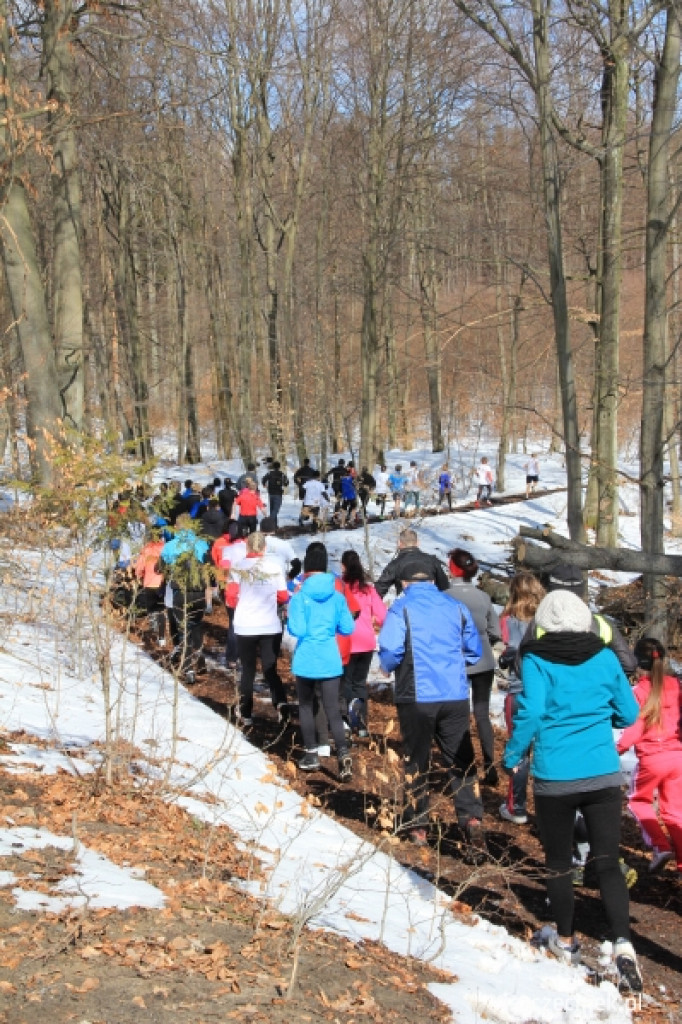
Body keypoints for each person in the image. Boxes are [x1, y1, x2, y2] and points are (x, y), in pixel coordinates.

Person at [502, 590, 641, 990]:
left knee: (559, 862)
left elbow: (532, 711)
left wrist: (513, 756)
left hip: (556, 775)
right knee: (608, 862)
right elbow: (629, 713)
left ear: (544, 621)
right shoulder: (604, 657)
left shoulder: (536, 659)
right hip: (602, 772)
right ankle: (623, 945)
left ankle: (566, 941)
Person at [378, 557, 485, 855]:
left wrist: (387, 667)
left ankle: (418, 825)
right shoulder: (455, 606)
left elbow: (390, 649)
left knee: (417, 759)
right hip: (454, 694)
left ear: (404, 583)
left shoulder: (401, 607)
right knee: (460, 759)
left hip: (417, 694)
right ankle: (472, 819)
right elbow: (474, 650)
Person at [287, 544, 355, 779]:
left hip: (306, 658)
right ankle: (343, 754)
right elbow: (348, 627)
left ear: (306, 567)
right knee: (333, 709)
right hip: (329, 657)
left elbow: (297, 629)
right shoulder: (337, 596)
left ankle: (311, 754)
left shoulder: (299, 596)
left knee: (306, 706)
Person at [617, 637, 682, 875]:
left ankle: (660, 846)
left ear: (637, 662)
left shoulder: (639, 691)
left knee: (638, 801)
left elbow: (634, 729)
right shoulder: (677, 686)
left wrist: (617, 749)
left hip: (652, 759)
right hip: (677, 758)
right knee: (675, 811)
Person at [447, 548, 501, 786]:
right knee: (482, 714)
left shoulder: (446, 596)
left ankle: (464, 765)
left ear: (453, 569)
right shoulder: (483, 597)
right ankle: (490, 765)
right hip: (484, 661)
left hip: (457, 661)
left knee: (458, 714)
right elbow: (495, 633)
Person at [497, 572, 546, 824]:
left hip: (518, 691)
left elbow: (506, 648)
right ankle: (549, 806)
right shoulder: (547, 620)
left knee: (519, 749)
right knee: (546, 749)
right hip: (548, 693)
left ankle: (516, 806)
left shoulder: (507, 619)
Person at [226, 531, 290, 725]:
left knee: (248, 669)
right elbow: (283, 597)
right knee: (270, 668)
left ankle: (245, 712)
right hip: (270, 625)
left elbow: (230, 598)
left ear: (247, 547)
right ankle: (281, 704)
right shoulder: (275, 567)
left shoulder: (237, 568)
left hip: (246, 626)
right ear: (264, 548)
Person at [158, 516, 212, 681]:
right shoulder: (202, 544)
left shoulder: (169, 546)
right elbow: (209, 567)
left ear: (176, 527)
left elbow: (160, 568)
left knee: (184, 630)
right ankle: (200, 661)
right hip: (199, 591)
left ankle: (188, 669)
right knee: (196, 626)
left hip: (179, 592)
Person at [340, 550, 387, 737]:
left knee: (346, 682)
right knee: (360, 683)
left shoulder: (341, 587)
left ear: (343, 566)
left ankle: (346, 720)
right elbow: (383, 616)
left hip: (347, 641)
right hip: (367, 642)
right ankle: (361, 724)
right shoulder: (368, 589)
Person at [375, 528, 449, 599]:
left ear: (399, 543)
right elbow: (444, 586)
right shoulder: (432, 561)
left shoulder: (395, 564)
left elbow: (379, 590)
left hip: (407, 607)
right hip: (432, 605)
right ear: (417, 543)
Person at [261, 460, 289, 527]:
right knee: (276, 510)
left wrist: (264, 484)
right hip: (278, 493)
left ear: (273, 467)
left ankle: (274, 525)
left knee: (272, 509)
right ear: (279, 467)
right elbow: (286, 483)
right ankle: (270, 523)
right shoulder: (281, 474)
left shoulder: (269, 473)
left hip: (270, 493)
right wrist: (282, 483)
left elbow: (263, 479)